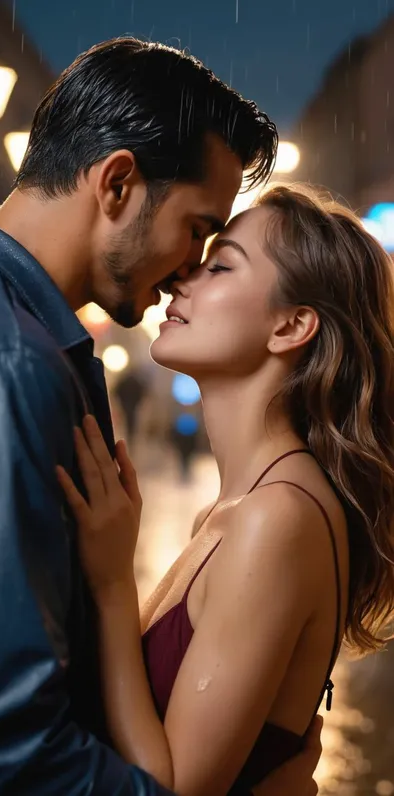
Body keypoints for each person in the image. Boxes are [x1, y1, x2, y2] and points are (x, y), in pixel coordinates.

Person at [0, 37, 320, 795]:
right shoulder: (6, 365)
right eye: (199, 229)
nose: (188, 272)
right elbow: (10, 755)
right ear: (117, 185)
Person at [57, 185, 394, 795]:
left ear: (291, 326)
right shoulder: (237, 509)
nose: (178, 282)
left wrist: (111, 585)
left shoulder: (278, 517)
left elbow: (175, 787)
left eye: (219, 265)